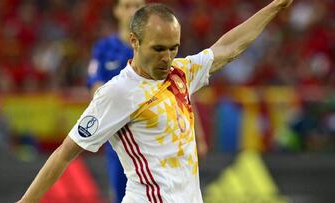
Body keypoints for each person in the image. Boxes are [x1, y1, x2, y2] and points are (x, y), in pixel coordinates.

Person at [17, 0, 293, 202]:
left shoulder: (181, 73)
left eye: (173, 48)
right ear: (134, 42)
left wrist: (275, 7)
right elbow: (65, 153)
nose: (167, 57)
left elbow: (227, 48)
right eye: (158, 49)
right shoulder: (118, 93)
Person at [86, 0, 144, 202]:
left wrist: (198, 135)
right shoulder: (104, 48)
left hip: (153, 130)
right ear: (117, 11)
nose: (132, 11)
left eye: (137, 6)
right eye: (127, 6)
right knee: (122, 194)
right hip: (119, 134)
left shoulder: (154, 47)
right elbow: (95, 85)